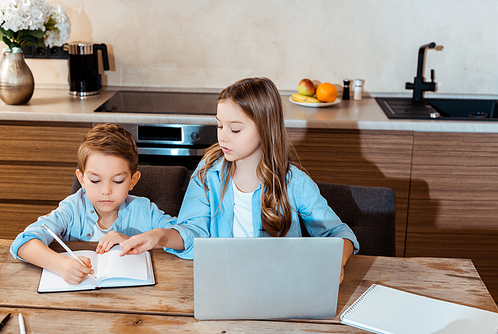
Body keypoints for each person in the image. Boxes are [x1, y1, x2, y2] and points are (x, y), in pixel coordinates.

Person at [120, 77, 359, 283]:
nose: (223, 137)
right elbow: (193, 231)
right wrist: (159, 235)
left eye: (235, 129)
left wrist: (336, 261)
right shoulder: (207, 174)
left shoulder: (294, 183)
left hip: (279, 284)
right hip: (223, 282)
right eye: (219, 125)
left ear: (265, 129)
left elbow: (339, 234)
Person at [10, 123, 176, 285]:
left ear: (133, 181)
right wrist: (61, 265)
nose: (106, 190)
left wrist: (144, 239)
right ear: (82, 179)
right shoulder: (72, 208)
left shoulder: (144, 210)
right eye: (95, 180)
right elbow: (22, 243)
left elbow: (185, 237)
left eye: (117, 181)